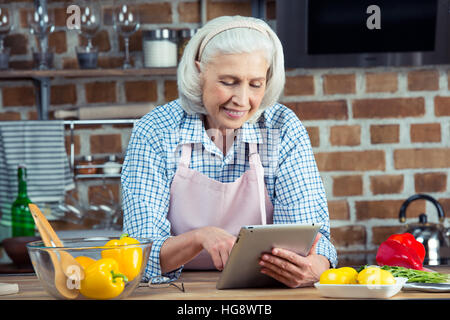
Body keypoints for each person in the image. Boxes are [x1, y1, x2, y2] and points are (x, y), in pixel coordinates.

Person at [121, 15, 337, 288]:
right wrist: (201, 237)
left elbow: (312, 240)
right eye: (228, 81)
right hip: (177, 291)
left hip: (265, 290)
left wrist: (315, 267)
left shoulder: (282, 129)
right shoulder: (156, 131)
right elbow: (138, 254)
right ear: (199, 73)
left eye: (255, 84)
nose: (242, 99)